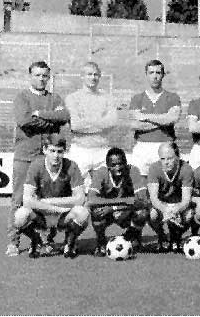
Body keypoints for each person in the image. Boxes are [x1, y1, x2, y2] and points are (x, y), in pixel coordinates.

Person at [7, 60, 70, 257]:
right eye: (37, 75)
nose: (41, 79)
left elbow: (65, 116)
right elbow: (24, 121)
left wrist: (40, 115)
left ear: (49, 77)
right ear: (30, 76)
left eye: (45, 76)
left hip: (47, 159)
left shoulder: (55, 97)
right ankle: (13, 241)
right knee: (19, 199)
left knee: (47, 200)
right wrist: (50, 122)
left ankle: (46, 240)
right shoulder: (22, 97)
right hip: (25, 156)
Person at [13, 135, 89, 258]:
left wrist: (46, 201)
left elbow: (80, 199)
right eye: (52, 151)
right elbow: (27, 200)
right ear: (44, 150)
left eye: (60, 151)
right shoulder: (36, 166)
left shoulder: (71, 166)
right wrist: (55, 208)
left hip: (64, 215)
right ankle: (36, 240)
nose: (56, 156)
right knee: (20, 216)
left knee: (83, 213)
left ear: (64, 151)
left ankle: (69, 243)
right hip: (41, 215)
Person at [65, 62, 119, 191]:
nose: (93, 77)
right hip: (80, 149)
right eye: (89, 74)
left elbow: (112, 122)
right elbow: (76, 125)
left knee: (105, 188)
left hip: (102, 149)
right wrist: (101, 123)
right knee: (75, 188)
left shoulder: (107, 98)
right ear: (82, 76)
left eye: (96, 74)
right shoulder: (73, 98)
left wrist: (87, 122)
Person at [87, 147, 150, 256]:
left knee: (142, 213)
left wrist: (114, 207)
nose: (118, 168)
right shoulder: (101, 172)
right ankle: (101, 242)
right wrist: (123, 202)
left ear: (126, 163)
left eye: (121, 164)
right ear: (108, 166)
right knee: (96, 211)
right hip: (108, 212)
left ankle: (132, 236)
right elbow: (91, 199)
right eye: (114, 165)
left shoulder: (133, 171)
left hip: (125, 212)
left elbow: (142, 200)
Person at [129, 60, 181, 177]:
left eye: (158, 72)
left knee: (164, 183)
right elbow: (135, 124)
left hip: (165, 145)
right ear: (146, 75)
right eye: (151, 72)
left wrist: (145, 117)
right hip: (142, 145)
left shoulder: (172, 97)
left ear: (163, 75)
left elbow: (172, 119)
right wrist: (163, 119)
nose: (155, 76)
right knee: (140, 182)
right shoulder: (137, 98)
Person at [147, 142, 194, 252]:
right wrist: (166, 210)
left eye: (170, 158)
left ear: (178, 157)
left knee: (189, 215)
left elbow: (186, 200)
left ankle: (176, 237)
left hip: (179, 203)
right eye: (163, 159)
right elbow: (154, 199)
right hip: (162, 204)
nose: (166, 162)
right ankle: (161, 236)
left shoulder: (186, 169)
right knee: (153, 214)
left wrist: (175, 210)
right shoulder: (154, 168)